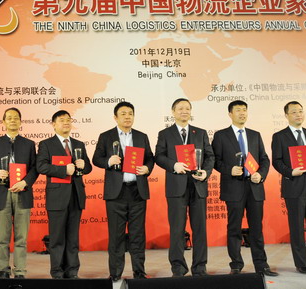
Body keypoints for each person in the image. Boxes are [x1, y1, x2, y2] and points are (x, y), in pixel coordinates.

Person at [212, 100, 278, 276]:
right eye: (238, 110)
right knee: (234, 228)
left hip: (254, 186)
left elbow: (264, 159)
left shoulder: (255, 135)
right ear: (230, 114)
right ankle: (236, 265)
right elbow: (215, 160)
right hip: (233, 187)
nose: (242, 113)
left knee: (257, 228)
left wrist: (260, 174)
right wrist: (229, 169)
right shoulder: (221, 135)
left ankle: (261, 265)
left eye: (244, 110)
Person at [92, 101, 154, 281]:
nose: (128, 117)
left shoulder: (141, 136)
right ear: (115, 117)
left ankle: (139, 272)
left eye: (130, 114)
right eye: (123, 114)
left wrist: (147, 168)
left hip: (137, 191)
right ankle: (115, 273)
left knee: (138, 235)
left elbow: (150, 158)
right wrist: (108, 161)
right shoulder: (106, 136)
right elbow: (96, 158)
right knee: (116, 236)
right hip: (116, 193)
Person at [155, 98, 214, 277]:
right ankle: (178, 268)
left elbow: (210, 156)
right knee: (177, 230)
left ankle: (200, 267)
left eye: (187, 108)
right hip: (176, 187)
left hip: (198, 185)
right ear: (173, 112)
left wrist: (206, 172)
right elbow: (159, 156)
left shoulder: (200, 133)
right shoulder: (165, 134)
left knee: (200, 229)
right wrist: (174, 165)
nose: (184, 111)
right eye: (180, 108)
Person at [271, 101, 306, 274]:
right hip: (294, 185)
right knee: (296, 227)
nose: (298, 115)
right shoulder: (280, 136)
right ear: (286, 115)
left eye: (301, 111)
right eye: (294, 112)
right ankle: (302, 263)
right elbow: (276, 161)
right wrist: (290, 172)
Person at [36, 110, 92, 279]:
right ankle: (57, 272)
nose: (66, 122)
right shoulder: (46, 144)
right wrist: (63, 170)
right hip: (57, 196)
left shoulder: (79, 144)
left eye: (68, 120)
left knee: (73, 237)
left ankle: (72, 271)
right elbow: (41, 166)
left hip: (76, 194)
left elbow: (88, 167)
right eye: (62, 120)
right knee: (57, 237)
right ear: (54, 124)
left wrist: (83, 165)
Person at [0, 107, 38, 278]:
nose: (13, 120)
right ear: (3, 122)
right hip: (2, 193)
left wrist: (25, 182)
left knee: (21, 238)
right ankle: (3, 270)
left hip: (23, 192)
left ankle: (20, 271)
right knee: (2, 237)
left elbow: (35, 168)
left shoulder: (29, 144)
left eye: (16, 118)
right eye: (9, 118)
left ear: (20, 122)